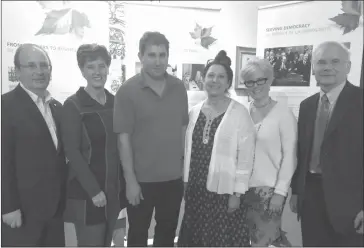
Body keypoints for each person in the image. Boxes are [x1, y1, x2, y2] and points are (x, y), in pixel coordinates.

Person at [113, 31, 188, 247]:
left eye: (162, 55)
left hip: (173, 180)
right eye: (152, 55)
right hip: (141, 181)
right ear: (141, 56)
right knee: (137, 234)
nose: (158, 61)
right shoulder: (127, 91)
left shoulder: (178, 88)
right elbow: (123, 140)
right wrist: (130, 182)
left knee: (166, 233)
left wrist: (184, 170)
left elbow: (183, 130)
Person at [177, 50, 256, 247]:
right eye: (211, 75)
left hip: (224, 192)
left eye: (221, 76)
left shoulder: (239, 113)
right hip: (196, 190)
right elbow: (188, 153)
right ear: (203, 79)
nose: (215, 80)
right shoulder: (194, 112)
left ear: (228, 83)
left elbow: (245, 158)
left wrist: (237, 194)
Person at [290, 41, 363, 247]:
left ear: (348, 67)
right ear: (313, 69)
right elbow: (301, 153)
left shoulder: (360, 101)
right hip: (311, 197)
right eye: (321, 62)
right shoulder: (307, 106)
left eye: (335, 61)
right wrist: (297, 190)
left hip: (350, 203)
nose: (327, 67)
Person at [61, 44, 127, 247]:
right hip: (88, 194)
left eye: (101, 66)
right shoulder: (73, 105)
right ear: (82, 71)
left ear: (108, 68)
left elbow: (123, 147)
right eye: (91, 67)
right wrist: (93, 190)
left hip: (115, 191)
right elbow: (72, 151)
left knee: (111, 242)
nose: (97, 72)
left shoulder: (116, 102)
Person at [1, 44, 67, 246]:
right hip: (22, 213)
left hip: (55, 211)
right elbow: (3, 161)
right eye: (31, 66)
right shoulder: (5, 106)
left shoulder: (56, 107)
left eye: (44, 65)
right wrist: (8, 207)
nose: (39, 71)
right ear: (18, 71)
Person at [239, 58, 297, 247]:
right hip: (241, 191)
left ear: (270, 80)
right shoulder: (243, 112)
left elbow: (290, 157)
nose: (255, 86)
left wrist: (280, 192)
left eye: (260, 80)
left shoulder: (283, 114)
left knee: (264, 242)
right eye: (250, 82)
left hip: (268, 194)